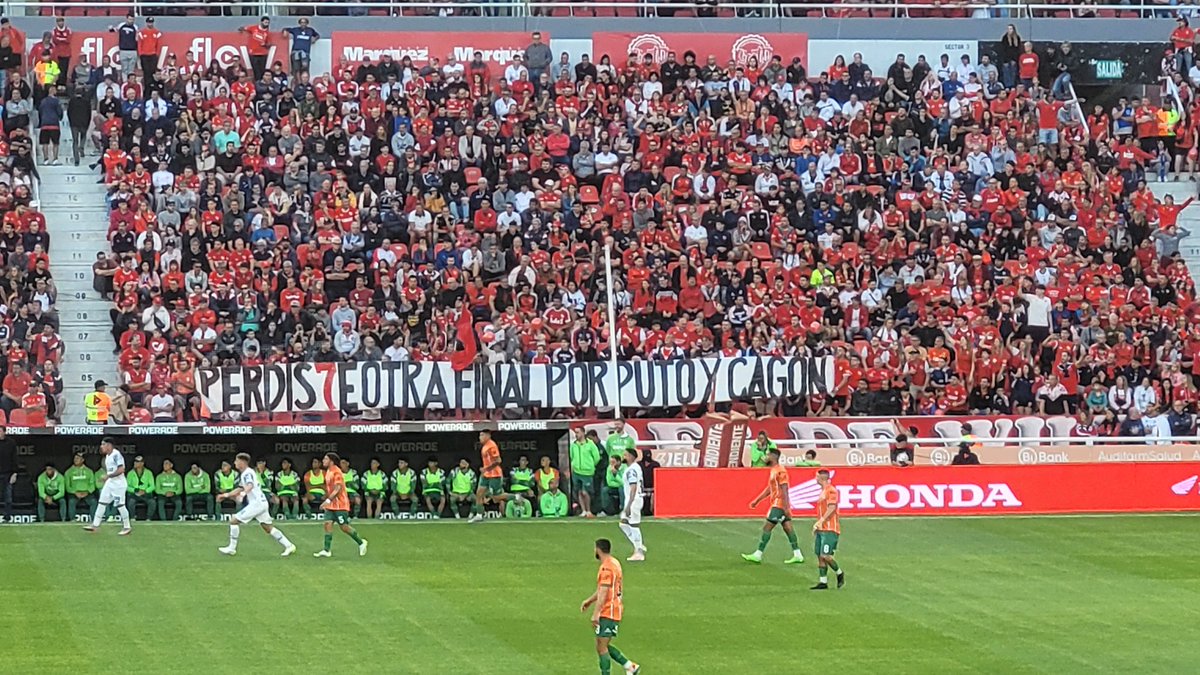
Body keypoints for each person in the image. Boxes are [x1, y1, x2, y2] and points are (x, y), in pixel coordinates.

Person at [580, 538, 641, 675]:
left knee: (602, 647)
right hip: (613, 609)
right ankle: (630, 666)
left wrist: (596, 613)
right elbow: (604, 588)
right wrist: (589, 601)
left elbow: (604, 592)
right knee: (602, 645)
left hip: (609, 611)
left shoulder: (606, 567)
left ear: (598, 549)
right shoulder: (614, 563)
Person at [217, 452, 296, 557]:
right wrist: (226, 495)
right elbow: (240, 487)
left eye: (236, 461)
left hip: (257, 504)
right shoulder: (246, 473)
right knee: (267, 527)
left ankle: (232, 548)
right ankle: (289, 545)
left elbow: (249, 485)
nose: (235, 463)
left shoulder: (247, 473)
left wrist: (243, 494)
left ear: (242, 462)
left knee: (234, 520)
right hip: (262, 503)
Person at [741, 448, 805, 565]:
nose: (766, 457)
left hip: (779, 504)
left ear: (774, 456)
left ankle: (758, 554)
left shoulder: (781, 471)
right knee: (788, 528)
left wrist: (786, 507)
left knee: (767, 528)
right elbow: (771, 488)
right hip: (778, 503)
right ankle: (797, 554)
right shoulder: (774, 470)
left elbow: (784, 488)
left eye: (768, 455)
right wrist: (757, 500)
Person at [313, 452, 368, 558]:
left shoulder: (337, 472)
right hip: (331, 506)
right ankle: (326, 550)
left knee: (344, 527)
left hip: (340, 505)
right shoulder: (328, 471)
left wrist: (328, 500)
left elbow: (338, 489)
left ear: (331, 461)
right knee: (327, 524)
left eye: (325, 459)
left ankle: (361, 543)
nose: (323, 461)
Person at [84, 437, 132, 535]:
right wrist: (107, 478)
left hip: (119, 484)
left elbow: (121, 469)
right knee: (102, 502)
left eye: (103, 444)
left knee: (120, 505)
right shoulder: (107, 456)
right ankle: (95, 525)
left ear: (109, 445)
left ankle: (127, 527)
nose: (101, 447)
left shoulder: (116, 454)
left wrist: (108, 476)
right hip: (110, 483)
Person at [810, 470, 845, 590]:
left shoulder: (831, 490)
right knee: (819, 555)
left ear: (821, 478)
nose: (815, 479)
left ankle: (839, 572)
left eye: (817, 476)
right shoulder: (823, 491)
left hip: (830, 529)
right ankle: (823, 582)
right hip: (822, 529)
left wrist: (821, 521)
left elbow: (832, 508)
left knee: (826, 555)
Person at [470, 428, 507, 523]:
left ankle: (516, 497)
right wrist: (485, 470)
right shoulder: (484, 446)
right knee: (479, 493)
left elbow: (498, 461)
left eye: (482, 435)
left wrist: (486, 469)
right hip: (486, 474)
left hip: (495, 474)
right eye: (479, 435)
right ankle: (479, 515)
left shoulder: (492, 446)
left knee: (496, 497)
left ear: (488, 436)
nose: (480, 437)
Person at [618, 448, 646, 562]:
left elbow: (633, 487)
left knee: (634, 525)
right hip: (633, 499)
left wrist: (629, 504)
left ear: (631, 457)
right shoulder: (635, 468)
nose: (623, 457)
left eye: (625, 455)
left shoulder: (631, 470)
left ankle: (638, 551)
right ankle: (638, 544)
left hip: (633, 500)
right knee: (623, 523)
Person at [569, 427, 601, 518]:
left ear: (583, 433)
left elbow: (597, 457)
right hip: (576, 471)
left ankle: (588, 510)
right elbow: (572, 456)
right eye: (575, 432)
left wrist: (590, 466)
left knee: (585, 492)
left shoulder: (590, 444)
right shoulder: (573, 445)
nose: (576, 434)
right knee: (579, 491)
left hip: (587, 472)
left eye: (578, 432)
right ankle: (583, 510)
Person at [64, 452, 97, 521]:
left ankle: (94, 520)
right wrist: (75, 492)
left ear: (83, 460)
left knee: (93, 501)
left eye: (78, 458)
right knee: (71, 502)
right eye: (75, 458)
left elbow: (92, 485)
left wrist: (87, 492)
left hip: (86, 493)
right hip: (75, 493)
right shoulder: (68, 472)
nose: (76, 460)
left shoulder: (89, 471)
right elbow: (68, 486)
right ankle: (72, 520)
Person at [125, 455, 155, 521]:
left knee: (152, 502)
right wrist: (135, 490)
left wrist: (145, 491)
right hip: (134, 493)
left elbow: (152, 486)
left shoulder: (148, 473)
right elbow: (126, 486)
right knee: (131, 502)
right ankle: (132, 517)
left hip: (145, 493)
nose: (135, 463)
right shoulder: (130, 473)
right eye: (135, 461)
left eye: (138, 462)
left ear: (142, 463)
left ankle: (148, 518)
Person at [0, 426, 15, 521]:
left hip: (8, 473)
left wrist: (15, 473)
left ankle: (7, 517)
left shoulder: (11, 443)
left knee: (8, 497)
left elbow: (15, 459)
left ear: (4, 432)